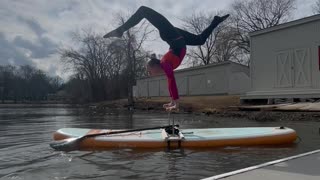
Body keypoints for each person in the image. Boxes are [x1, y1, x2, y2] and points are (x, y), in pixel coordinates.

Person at [104, 6, 229, 111]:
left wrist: (176, 102)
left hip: (171, 35)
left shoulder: (164, 63)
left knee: (143, 11)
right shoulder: (164, 63)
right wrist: (172, 101)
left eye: (149, 70)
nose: (149, 73)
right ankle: (216, 21)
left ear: (154, 66)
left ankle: (121, 30)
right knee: (200, 40)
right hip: (177, 39)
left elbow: (171, 80)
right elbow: (170, 80)